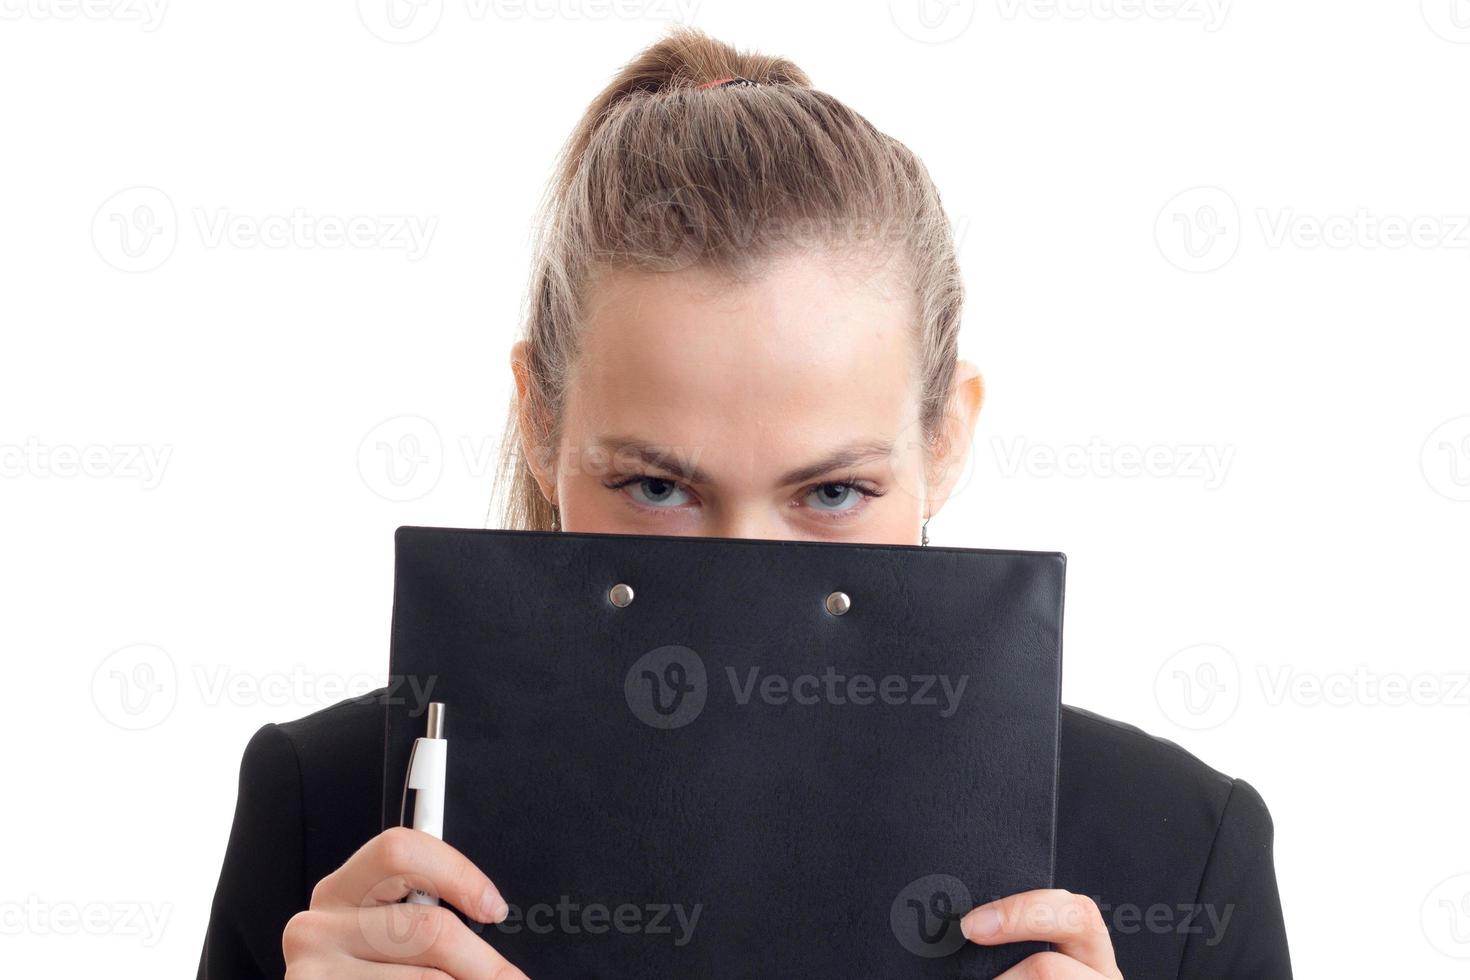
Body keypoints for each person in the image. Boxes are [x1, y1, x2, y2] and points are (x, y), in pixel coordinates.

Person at [198, 28, 1291, 979]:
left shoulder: (1184, 851)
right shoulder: (326, 816)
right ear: (540, 422)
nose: (743, 581)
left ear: (944, 438)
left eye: (832, 489)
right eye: (658, 485)